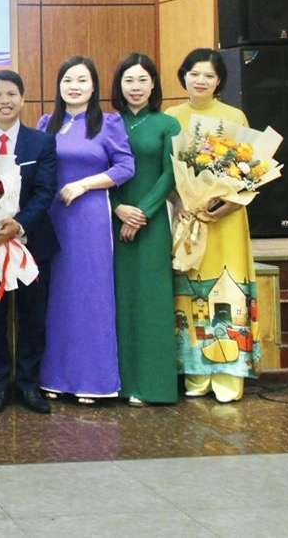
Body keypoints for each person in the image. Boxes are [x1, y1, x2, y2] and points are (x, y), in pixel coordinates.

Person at [36, 56, 134, 404]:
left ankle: (94, 381)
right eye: (67, 80)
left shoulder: (108, 123)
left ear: (94, 87)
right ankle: (54, 378)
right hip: (52, 217)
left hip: (89, 218)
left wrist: (84, 184)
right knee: (56, 297)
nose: (74, 86)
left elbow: (126, 166)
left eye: (81, 80)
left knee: (90, 295)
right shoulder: (47, 123)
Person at [166, 48, 259, 402]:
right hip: (189, 219)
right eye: (194, 73)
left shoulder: (234, 116)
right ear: (183, 76)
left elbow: (250, 172)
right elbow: (166, 171)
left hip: (226, 221)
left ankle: (228, 379)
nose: (200, 81)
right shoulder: (171, 117)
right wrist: (181, 202)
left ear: (219, 81)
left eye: (208, 75)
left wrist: (223, 205)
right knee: (191, 291)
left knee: (227, 292)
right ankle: (196, 376)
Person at [0, 70, 58, 415]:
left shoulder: (42, 142)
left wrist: (18, 225)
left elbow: (45, 191)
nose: (5, 101)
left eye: (11, 94)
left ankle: (29, 386)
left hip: (32, 243)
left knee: (32, 318)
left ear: (22, 98)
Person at [111, 54, 181, 406]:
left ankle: (155, 386)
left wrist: (141, 213)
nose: (135, 87)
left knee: (153, 302)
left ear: (153, 84)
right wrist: (117, 207)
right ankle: (121, 384)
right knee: (120, 301)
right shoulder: (108, 123)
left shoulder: (168, 124)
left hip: (152, 223)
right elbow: (97, 169)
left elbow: (171, 174)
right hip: (111, 221)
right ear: (118, 85)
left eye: (142, 80)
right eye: (128, 80)